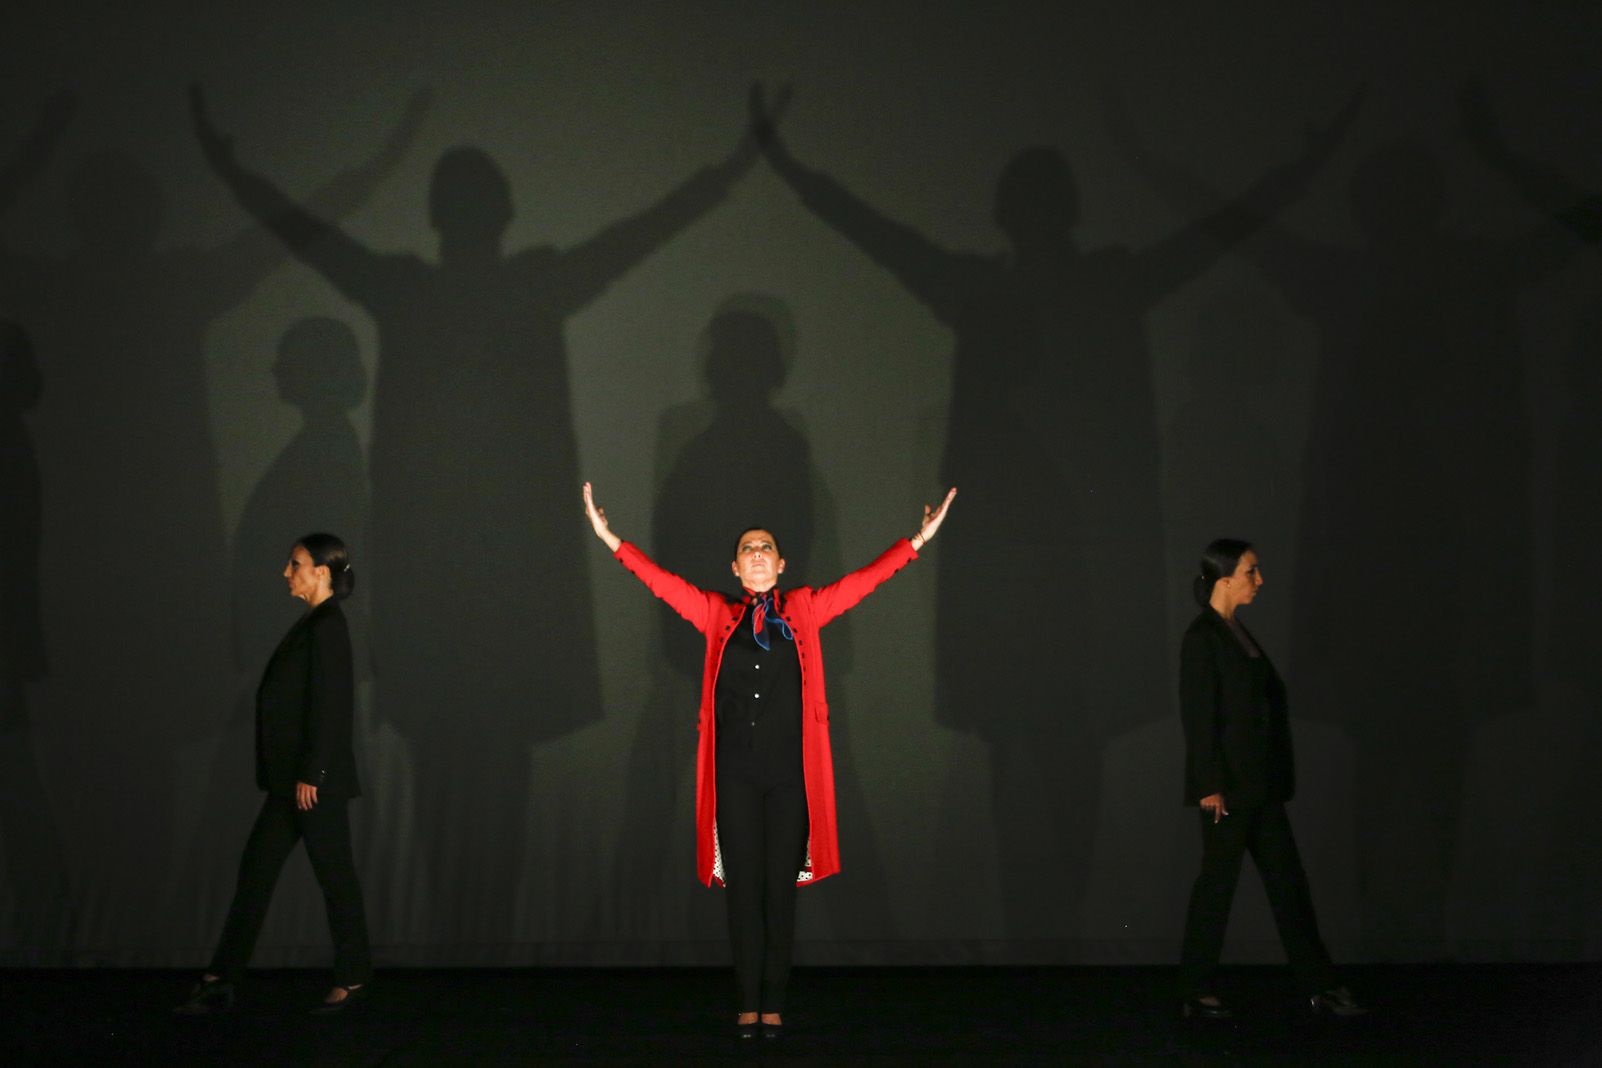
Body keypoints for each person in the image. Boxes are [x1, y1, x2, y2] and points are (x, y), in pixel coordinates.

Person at [583, 481, 954, 1038]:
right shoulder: (714, 614)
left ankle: (773, 1002)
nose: (757, 553)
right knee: (743, 895)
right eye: (747, 549)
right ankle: (746, 1003)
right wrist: (610, 537)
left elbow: (864, 583)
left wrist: (918, 539)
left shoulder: (804, 608)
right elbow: (660, 584)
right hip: (733, 775)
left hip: (789, 779)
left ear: (780, 564)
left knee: (778, 893)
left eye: (766, 547)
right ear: (735, 568)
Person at [175, 534, 371, 1016]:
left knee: (335, 880)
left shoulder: (328, 627)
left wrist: (314, 773)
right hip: (291, 783)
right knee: (256, 874)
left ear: (322, 572)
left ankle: (353, 978)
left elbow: (332, 707)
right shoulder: (312, 623)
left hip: (312, 786)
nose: (287, 572)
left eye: (296, 564)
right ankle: (220, 977)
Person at [1176, 539, 1363, 1019]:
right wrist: (1208, 785)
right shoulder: (1203, 638)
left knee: (1289, 888)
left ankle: (1321, 986)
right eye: (1251, 572)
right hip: (1229, 792)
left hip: (1260, 787)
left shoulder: (1239, 632)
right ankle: (1195, 991)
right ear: (1224, 580)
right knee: (1216, 890)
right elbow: (1200, 716)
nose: (1259, 580)